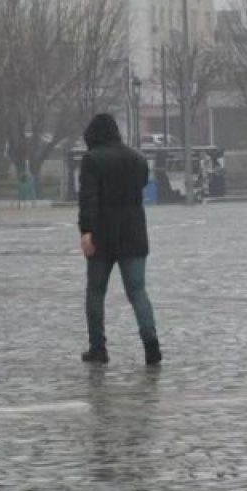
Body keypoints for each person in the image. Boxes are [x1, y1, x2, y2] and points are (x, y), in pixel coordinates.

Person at [78, 114, 161, 366]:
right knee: (137, 291)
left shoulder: (91, 160)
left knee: (96, 291)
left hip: (102, 237)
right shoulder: (137, 158)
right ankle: (151, 346)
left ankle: (98, 348)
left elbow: (89, 198)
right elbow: (142, 183)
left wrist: (86, 231)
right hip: (134, 235)